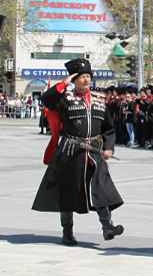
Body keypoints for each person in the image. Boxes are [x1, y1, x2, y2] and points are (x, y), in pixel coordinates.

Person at [32, 58, 124, 245]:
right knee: (67, 191)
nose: (85, 80)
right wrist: (64, 83)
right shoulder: (66, 98)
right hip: (71, 150)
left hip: (94, 152)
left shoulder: (99, 99)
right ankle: (67, 232)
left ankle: (107, 226)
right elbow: (47, 99)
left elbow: (108, 128)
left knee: (101, 187)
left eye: (88, 76)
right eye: (81, 77)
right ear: (74, 79)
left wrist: (108, 147)